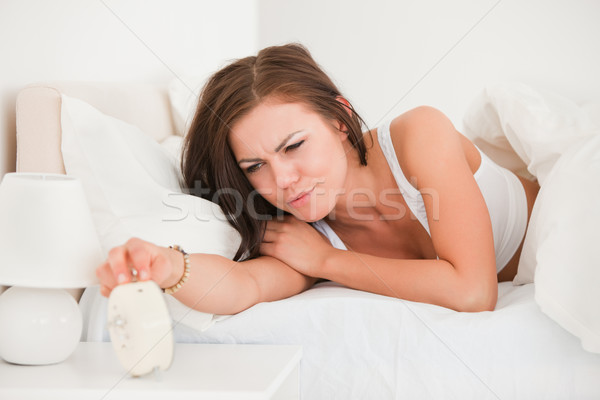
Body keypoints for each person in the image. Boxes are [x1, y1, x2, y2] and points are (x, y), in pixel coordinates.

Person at [96, 43, 539, 313]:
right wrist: (170, 265)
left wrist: (327, 263)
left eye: (293, 146)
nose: (283, 180)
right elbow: (243, 286)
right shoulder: (305, 233)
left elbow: (474, 293)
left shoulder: (417, 136)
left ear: (340, 119)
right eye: (255, 167)